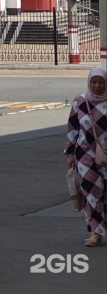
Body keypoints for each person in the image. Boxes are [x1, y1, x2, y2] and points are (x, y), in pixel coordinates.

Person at [66, 66, 107, 246]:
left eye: (101, 82)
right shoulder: (80, 101)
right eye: (94, 82)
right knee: (91, 193)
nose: (97, 86)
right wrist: (69, 153)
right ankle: (95, 233)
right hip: (85, 154)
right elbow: (72, 128)